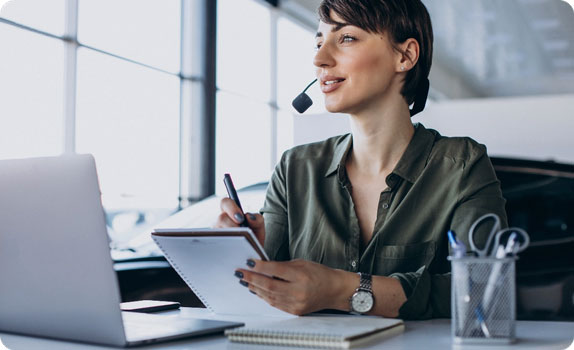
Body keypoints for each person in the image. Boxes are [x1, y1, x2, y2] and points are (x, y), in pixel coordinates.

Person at [215, 0, 507, 320]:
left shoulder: (463, 166)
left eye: (346, 38)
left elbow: (485, 293)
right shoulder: (294, 168)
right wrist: (245, 252)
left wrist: (342, 289)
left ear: (405, 55)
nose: (319, 58)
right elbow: (257, 298)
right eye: (318, 42)